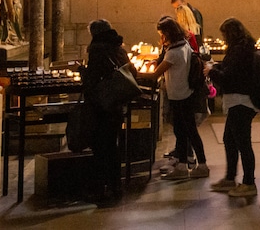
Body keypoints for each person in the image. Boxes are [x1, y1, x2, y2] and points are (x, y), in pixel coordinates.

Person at [142, 17, 210, 181]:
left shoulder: (174, 52)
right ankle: (181, 165)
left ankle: (202, 165)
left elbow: (154, 76)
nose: (161, 38)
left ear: (167, 33)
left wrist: (133, 72)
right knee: (181, 132)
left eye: (162, 34)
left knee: (189, 132)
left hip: (180, 96)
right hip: (182, 94)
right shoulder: (183, 44)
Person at [81, 19, 138, 205]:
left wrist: (82, 72)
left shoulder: (97, 50)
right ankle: (116, 186)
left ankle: (100, 190)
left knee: (100, 148)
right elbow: (132, 72)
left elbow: (92, 81)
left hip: (101, 106)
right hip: (116, 105)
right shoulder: (119, 48)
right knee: (113, 146)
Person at [207, 18, 260, 197]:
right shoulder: (244, 48)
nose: (223, 39)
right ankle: (230, 178)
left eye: (224, 35)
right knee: (229, 139)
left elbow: (230, 77)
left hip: (241, 101)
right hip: (239, 100)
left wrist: (211, 72)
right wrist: (218, 66)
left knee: (243, 143)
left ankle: (249, 183)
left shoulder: (239, 50)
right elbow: (233, 69)